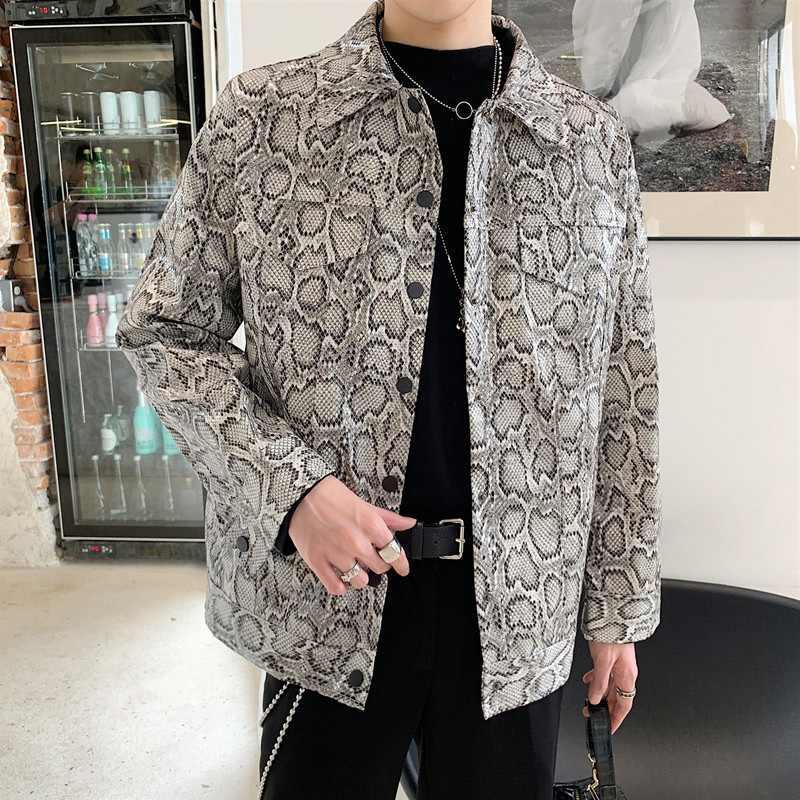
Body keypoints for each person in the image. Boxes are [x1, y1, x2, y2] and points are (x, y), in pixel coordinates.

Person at [116, 1, 662, 798]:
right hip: (326, 605)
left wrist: (618, 607)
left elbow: (625, 385)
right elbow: (164, 332)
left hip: (521, 606)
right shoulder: (267, 117)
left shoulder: (588, 142)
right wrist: (292, 492)